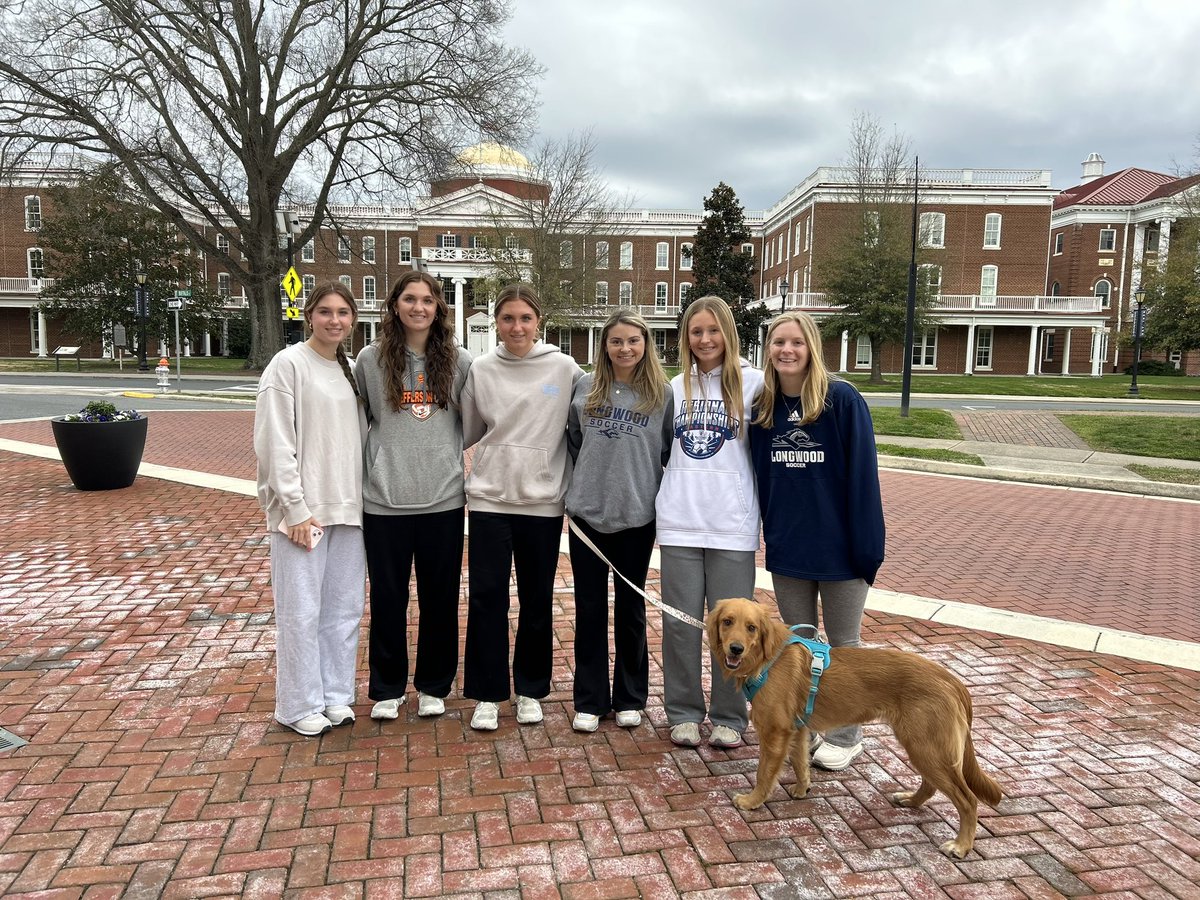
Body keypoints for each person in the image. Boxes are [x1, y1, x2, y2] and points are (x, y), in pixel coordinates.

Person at [749, 310, 885, 771]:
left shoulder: (842, 400)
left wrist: (867, 549)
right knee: (800, 646)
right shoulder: (764, 408)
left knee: (844, 647)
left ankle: (847, 733)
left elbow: (864, 479)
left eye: (796, 342)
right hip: (790, 550)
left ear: (812, 348)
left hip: (842, 550)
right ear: (768, 350)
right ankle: (803, 731)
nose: (786, 350)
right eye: (778, 342)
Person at [461, 283, 583, 731]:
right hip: (491, 499)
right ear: (496, 322)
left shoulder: (564, 368)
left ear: (539, 322)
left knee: (536, 600)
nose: (517, 327)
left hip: (543, 504)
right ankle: (487, 694)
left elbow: (581, 424)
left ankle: (531, 689)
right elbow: (471, 430)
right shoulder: (481, 369)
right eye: (508, 318)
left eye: (525, 318)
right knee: (487, 599)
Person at [354, 271, 472, 721]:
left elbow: (472, 423)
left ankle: (434, 685)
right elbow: (362, 417)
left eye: (427, 300)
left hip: (442, 499)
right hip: (384, 500)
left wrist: (446, 458)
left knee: (440, 599)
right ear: (395, 305)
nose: (418, 307)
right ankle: (387, 687)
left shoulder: (459, 363)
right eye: (409, 299)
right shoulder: (369, 360)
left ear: (439, 307)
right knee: (387, 598)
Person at [254, 281, 367, 737]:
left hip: (350, 508)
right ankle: (298, 703)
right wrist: (293, 509)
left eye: (343, 312)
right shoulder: (288, 365)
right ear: (309, 316)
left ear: (353, 319)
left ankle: (335, 694)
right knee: (300, 612)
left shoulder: (351, 369)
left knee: (343, 610)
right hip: (303, 515)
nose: (334, 320)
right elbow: (274, 442)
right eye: (325, 311)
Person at [655, 295, 764, 749]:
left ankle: (729, 716)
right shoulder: (674, 388)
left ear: (728, 333)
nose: (705, 339)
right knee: (681, 625)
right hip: (680, 521)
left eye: (713, 330)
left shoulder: (756, 384)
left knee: (734, 631)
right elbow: (662, 449)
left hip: (732, 525)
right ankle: (683, 711)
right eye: (696, 331)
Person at [565, 309, 672, 733]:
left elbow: (665, 453)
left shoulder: (662, 395)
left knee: (630, 609)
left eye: (633, 340)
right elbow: (574, 439)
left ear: (645, 344)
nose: (624, 348)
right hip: (587, 517)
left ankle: (630, 697)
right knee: (589, 610)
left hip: (636, 517)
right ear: (604, 346)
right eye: (616, 341)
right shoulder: (585, 387)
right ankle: (590, 700)